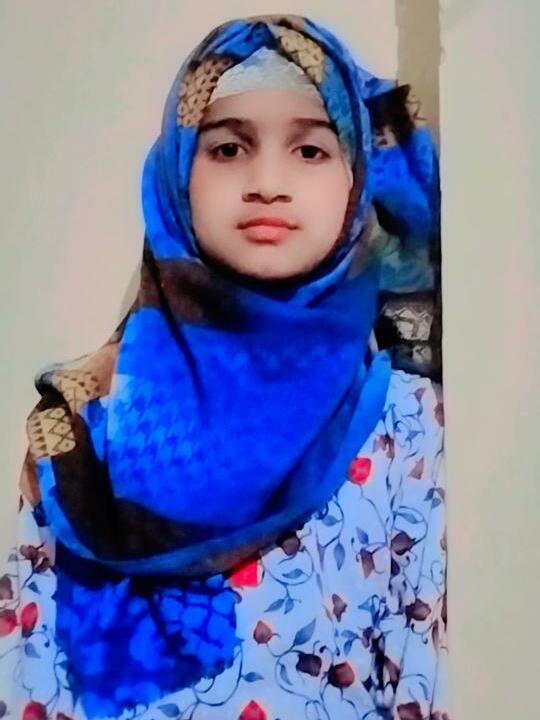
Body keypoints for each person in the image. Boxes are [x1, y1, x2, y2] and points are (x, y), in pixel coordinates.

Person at [0, 13, 450, 720]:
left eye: (310, 149)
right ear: (177, 175)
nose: (267, 182)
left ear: (357, 177)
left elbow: (427, 683)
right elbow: (26, 678)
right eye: (228, 148)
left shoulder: (408, 431)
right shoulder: (83, 431)